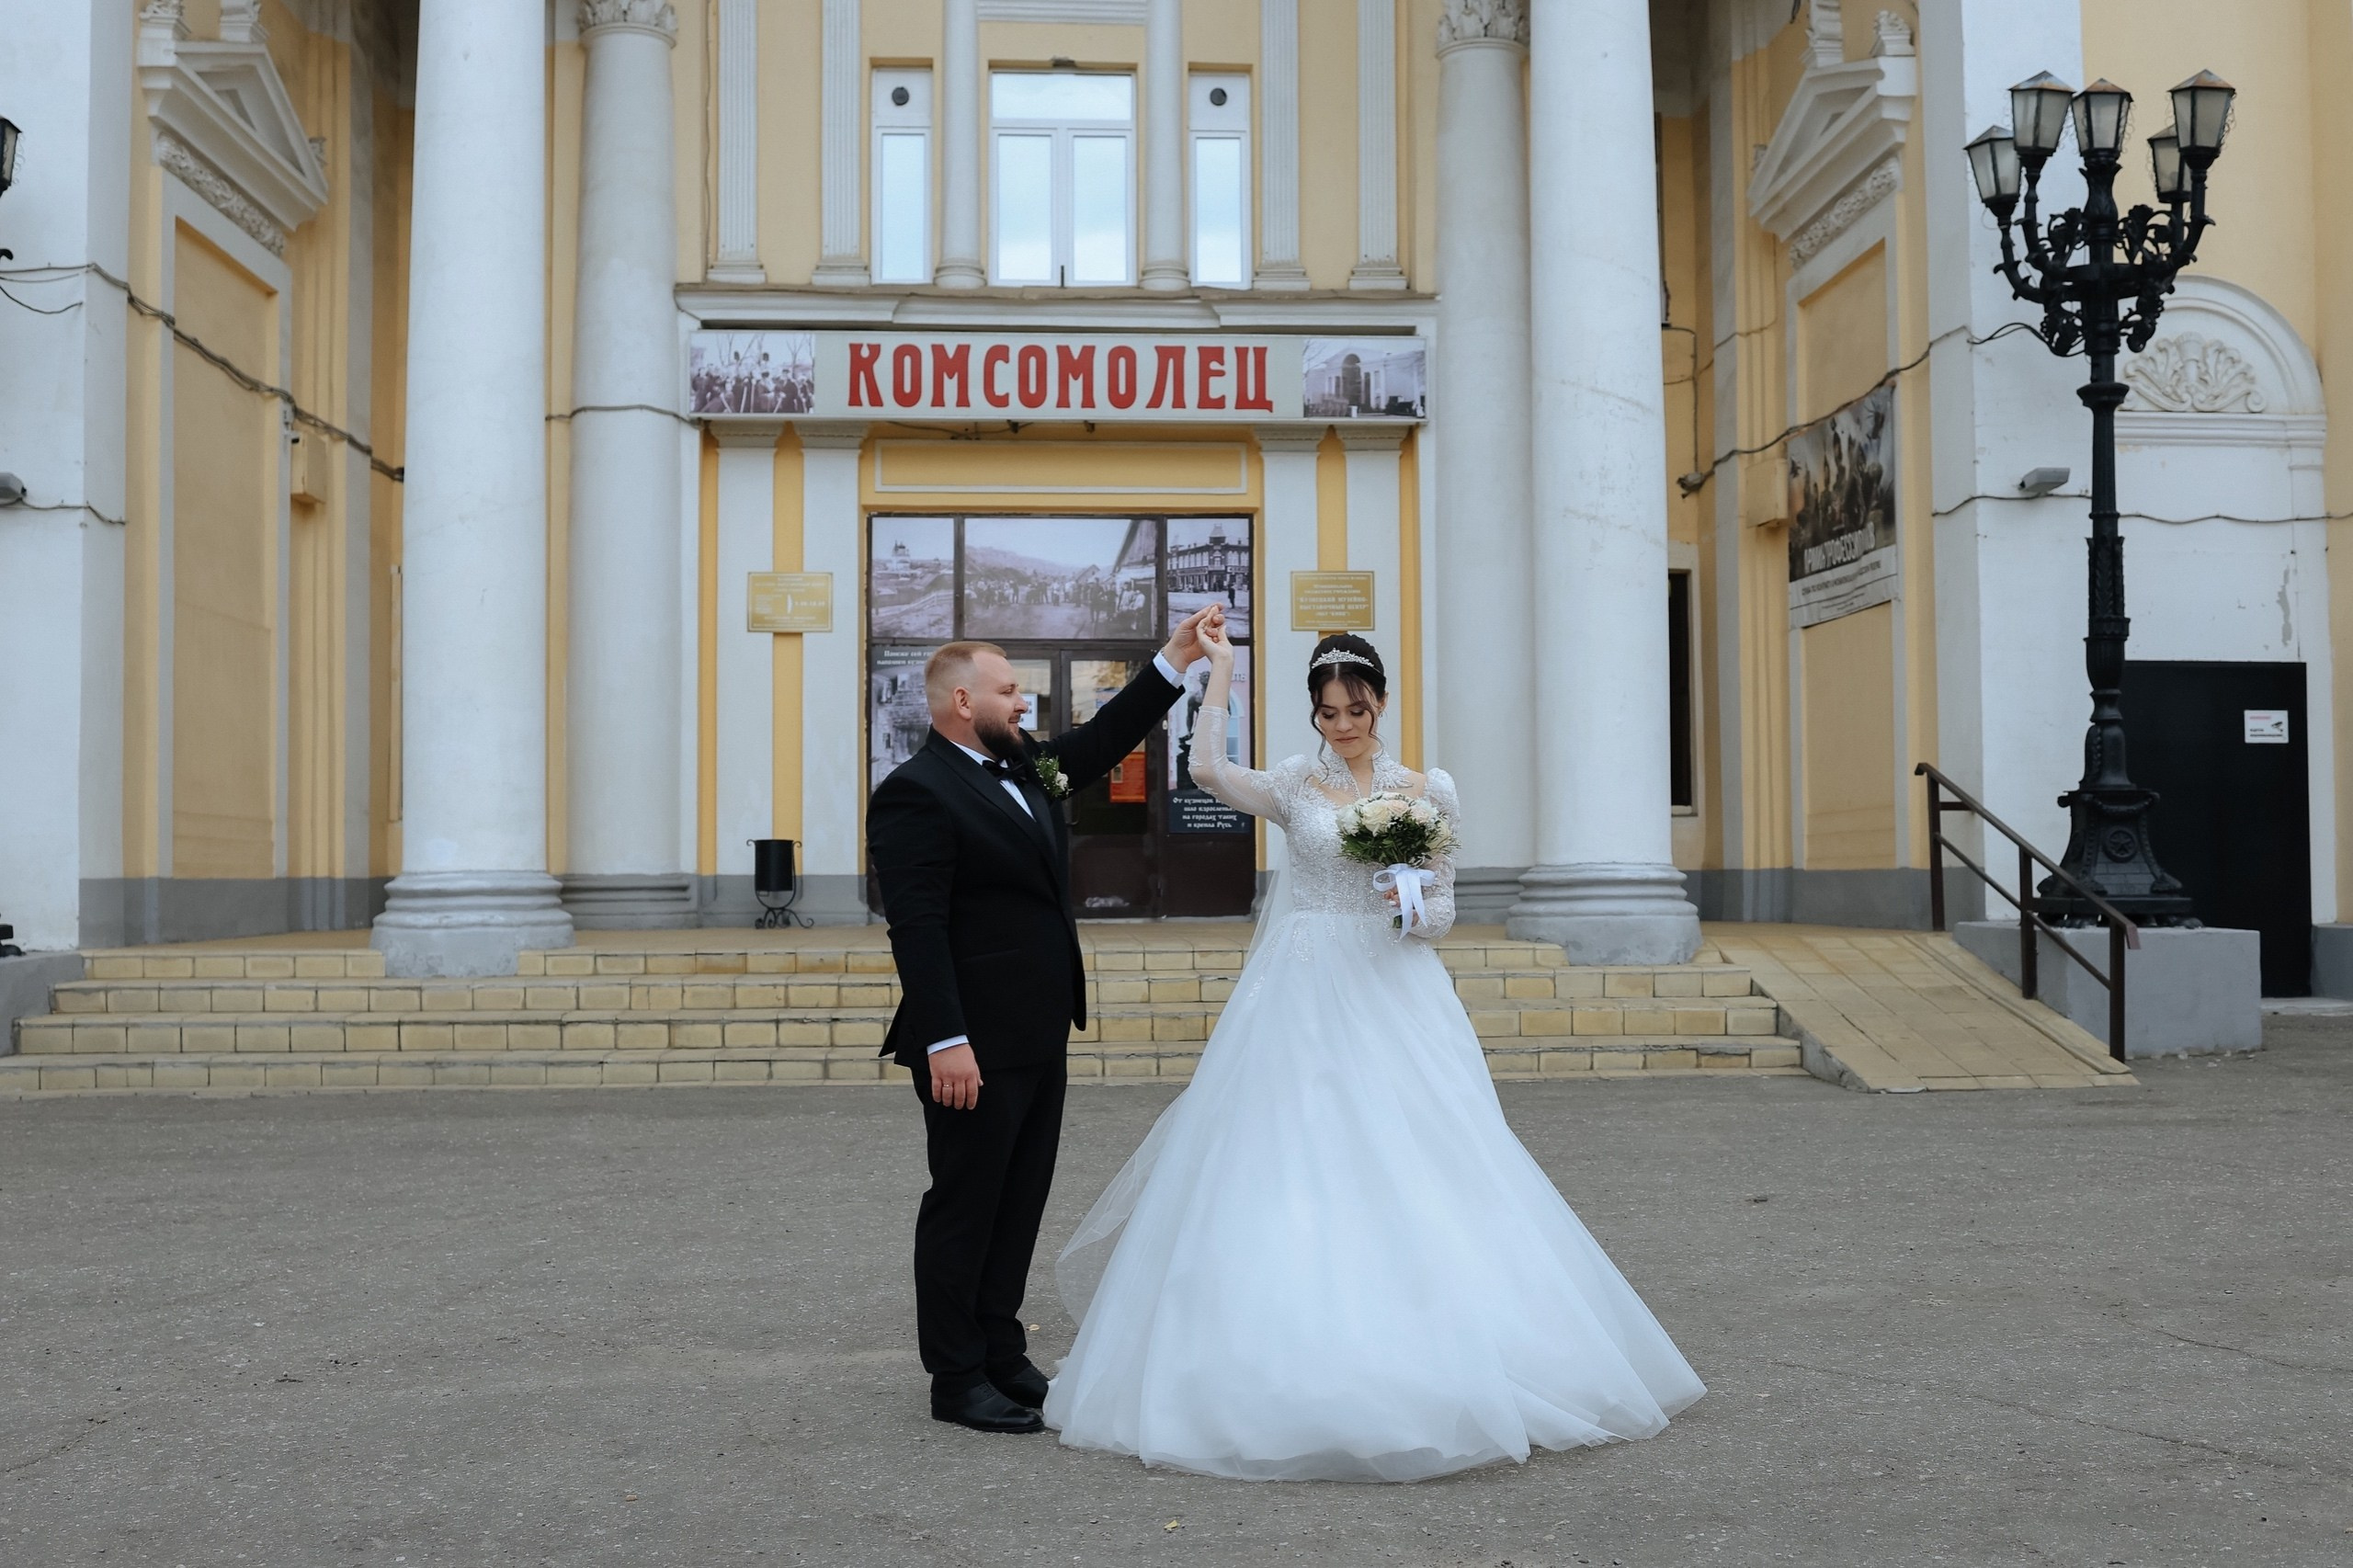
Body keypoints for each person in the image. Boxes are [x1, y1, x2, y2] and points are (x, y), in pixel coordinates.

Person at [1043, 628, 1706, 1481]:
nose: (1343, 725)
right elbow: (1209, 774)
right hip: (1301, 988)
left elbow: (1443, 910)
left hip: (1393, 984)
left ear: (1381, 704)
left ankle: (1470, 1342)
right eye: (1328, 713)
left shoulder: (1428, 790)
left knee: (1430, 1152)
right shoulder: (1293, 782)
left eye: (1356, 710)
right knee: (1284, 1154)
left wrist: (1410, 904)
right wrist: (1221, 676)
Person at [867, 608, 1221, 1435]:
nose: (1022, 700)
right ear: (961, 701)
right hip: (970, 1043)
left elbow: (1101, 741)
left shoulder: (1024, 769)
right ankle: (955, 1376)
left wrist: (1172, 659)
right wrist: (945, 1041)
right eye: (1007, 688)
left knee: (1019, 1199)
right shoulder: (915, 792)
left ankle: (999, 1348)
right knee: (967, 1203)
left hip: (1036, 1030)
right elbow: (916, 927)